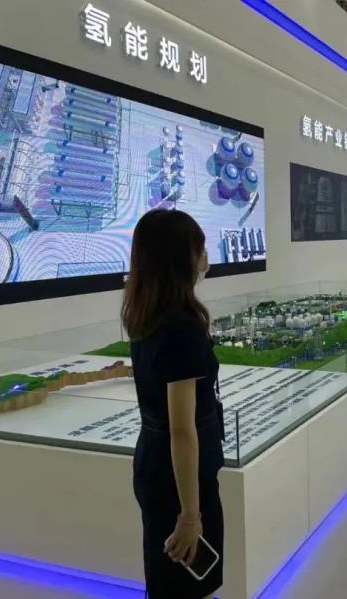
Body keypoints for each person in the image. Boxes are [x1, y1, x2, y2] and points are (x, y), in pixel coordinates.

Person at [123, 210, 224, 598]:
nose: (204, 257)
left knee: (169, 581)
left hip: (155, 467)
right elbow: (182, 429)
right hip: (180, 481)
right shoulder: (182, 327)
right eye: (199, 248)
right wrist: (191, 515)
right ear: (182, 257)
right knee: (187, 584)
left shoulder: (145, 315)